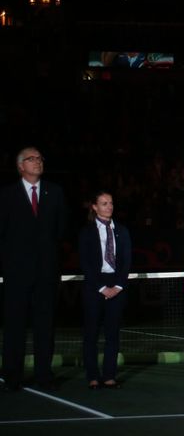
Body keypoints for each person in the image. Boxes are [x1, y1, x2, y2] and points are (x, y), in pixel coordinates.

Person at [0, 147, 67, 391]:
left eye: (40, 158)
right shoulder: (6, 196)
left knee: (45, 326)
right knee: (15, 325)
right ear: (20, 166)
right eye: (31, 159)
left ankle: (43, 375)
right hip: (17, 274)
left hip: (46, 273)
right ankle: (12, 376)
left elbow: (60, 230)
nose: (37, 162)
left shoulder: (55, 192)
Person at [78, 191, 132, 390]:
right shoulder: (87, 232)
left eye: (110, 203)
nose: (109, 206)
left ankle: (109, 376)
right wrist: (101, 287)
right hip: (94, 286)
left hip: (117, 286)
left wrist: (117, 286)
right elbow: (85, 262)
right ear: (94, 206)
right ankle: (93, 376)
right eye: (104, 203)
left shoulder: (122, 231)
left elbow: (126, 261)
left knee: (112, 334)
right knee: (91, 333)